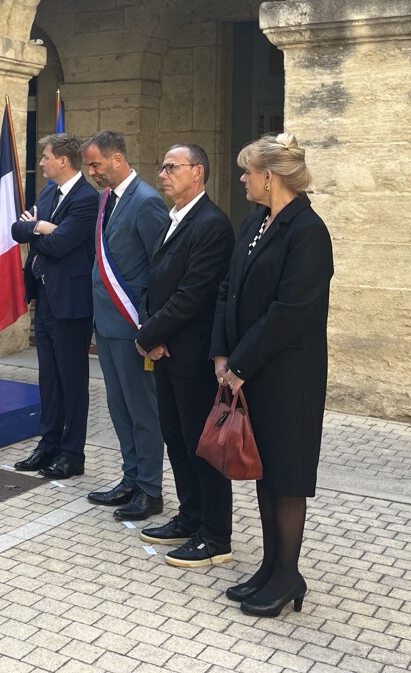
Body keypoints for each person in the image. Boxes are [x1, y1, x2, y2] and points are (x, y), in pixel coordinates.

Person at [213, 133, 333, 617]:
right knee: (265, 473)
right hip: (251, 368)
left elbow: (292, 311)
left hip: (289, 374)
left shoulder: (308, 231)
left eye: (248, 172)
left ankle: (288, 577)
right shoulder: (256, 221)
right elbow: (229, 290)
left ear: (271, 176)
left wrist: (241, 363)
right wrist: (223, 353)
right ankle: (270, 567)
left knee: (287, 476)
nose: (242, 179)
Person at [134, 144, 235, 568]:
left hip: (192, 354)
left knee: (201, 446)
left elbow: (193, 294)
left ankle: (215, 536)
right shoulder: (173, 219)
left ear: (199, 173)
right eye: (162, 166)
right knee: (176, 437)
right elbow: (153, 282)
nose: (163, 173)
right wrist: (150, 334)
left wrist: (147, 333)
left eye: (172, 167)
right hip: (165, 351)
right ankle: (190, 516)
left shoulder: (212, 224)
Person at [81, 130, 170, 520]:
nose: (91, 172)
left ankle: (150, 490)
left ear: (118, 159)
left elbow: (161, 269)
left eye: (96, 165)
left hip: (134, 328)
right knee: (119, 408)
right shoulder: (107, 200)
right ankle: (131, 478)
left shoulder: (147, 202)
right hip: (108, 324)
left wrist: (151, 328)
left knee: (142, 411)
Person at [10, 133, 98, 479]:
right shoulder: (48, 193)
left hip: (72, 302)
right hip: (44, 297)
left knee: (71, 379)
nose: (41, 162)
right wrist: (41, 227)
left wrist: (42, 231)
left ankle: (72, 453)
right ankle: (47, 445)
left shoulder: (87, 198)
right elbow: (18, 230)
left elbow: (61, 244)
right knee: (48, 376)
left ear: (63, 160)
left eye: (45, 157)